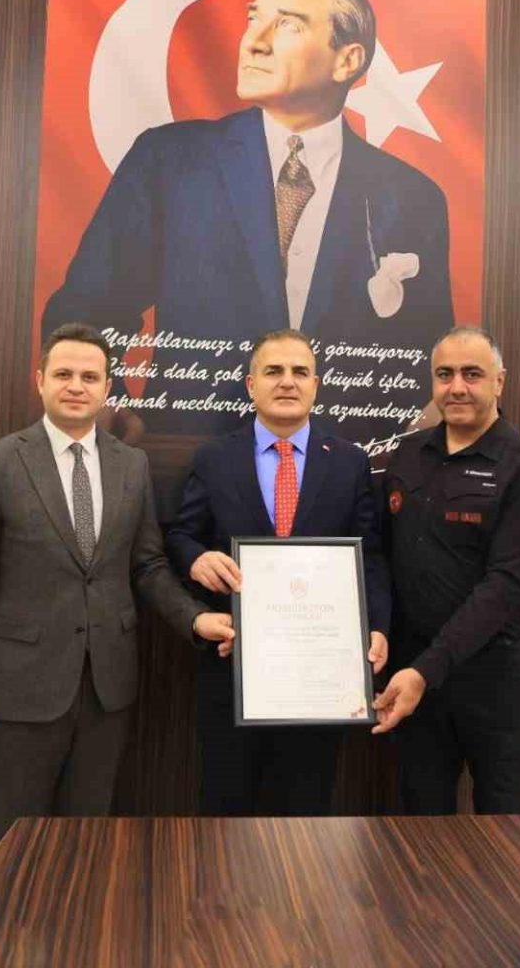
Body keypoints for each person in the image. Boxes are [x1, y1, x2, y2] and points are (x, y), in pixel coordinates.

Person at [42, 0, 453, 449]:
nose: (253, 42)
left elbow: (425, 357)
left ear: (347, 60)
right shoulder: (169, 162)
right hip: (186, 462)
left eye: (288, 25)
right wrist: (107, 405)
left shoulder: (413, 196)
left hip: (347, 473)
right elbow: (89, 307)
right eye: (253, 19)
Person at [0, 323, 234, 836]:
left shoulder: (132, 465)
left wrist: (196, 619)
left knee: (90, 837)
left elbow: (147, 565)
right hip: (21, 689)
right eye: (64, 374)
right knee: (16, 841)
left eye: (90, 377)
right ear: (40, 381)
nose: (76, 386)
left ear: (107, 388)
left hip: (107, 690)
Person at [165, 329, 391, 814]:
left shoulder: (350, 462)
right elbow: (181, 535)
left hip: (320, 679)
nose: (287, 381)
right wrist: (196, 559)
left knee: (307, 817)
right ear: (251, 385)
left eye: (299, 372)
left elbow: (370, 556)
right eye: (273, 371)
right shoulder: (214, 458)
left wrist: (377, 627)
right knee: (226, 815)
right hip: (234, 670)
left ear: (315, 385)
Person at [371, 326, 520, 814]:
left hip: (494, 680)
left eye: (472, 374)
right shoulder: (408, 455)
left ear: (499, 381)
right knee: (420, 826)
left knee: (507, 831)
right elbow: (380, 554)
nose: (456, 387)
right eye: (444, 375)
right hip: (415, 678)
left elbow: (504, 586)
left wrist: (425, 670)